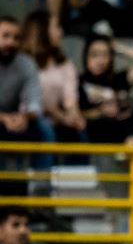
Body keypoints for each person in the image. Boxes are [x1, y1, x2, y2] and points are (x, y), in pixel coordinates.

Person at [77, 35, 133, 149]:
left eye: (105, 55)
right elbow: (74, 115)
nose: (100, 61)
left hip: (122, 128)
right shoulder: (78, 82)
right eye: (95, 55)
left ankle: (130, 147)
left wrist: (118, 48)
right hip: (96, 129)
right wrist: (100, 112)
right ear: (86, 56)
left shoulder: (118, 79)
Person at [21, 10, 86, 145]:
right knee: (44, 128)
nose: (61, 33)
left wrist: (74, 116)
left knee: (80, 132)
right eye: (56, 27)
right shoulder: (21, 62)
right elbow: (28, 101)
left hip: (57, 121)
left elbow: (71, 100)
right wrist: (59, 115)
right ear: (42, 31)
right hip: (27, 118)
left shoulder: (65, 65)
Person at [0, 16, 54, 170]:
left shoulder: (26, 64)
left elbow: (35, 104)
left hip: (14, 118)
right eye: (6, 36)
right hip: (5, 118)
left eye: (16, 38)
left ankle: (41, 187)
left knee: (44, 129)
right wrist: (4, 118)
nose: (11, 42)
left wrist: (25, 117)